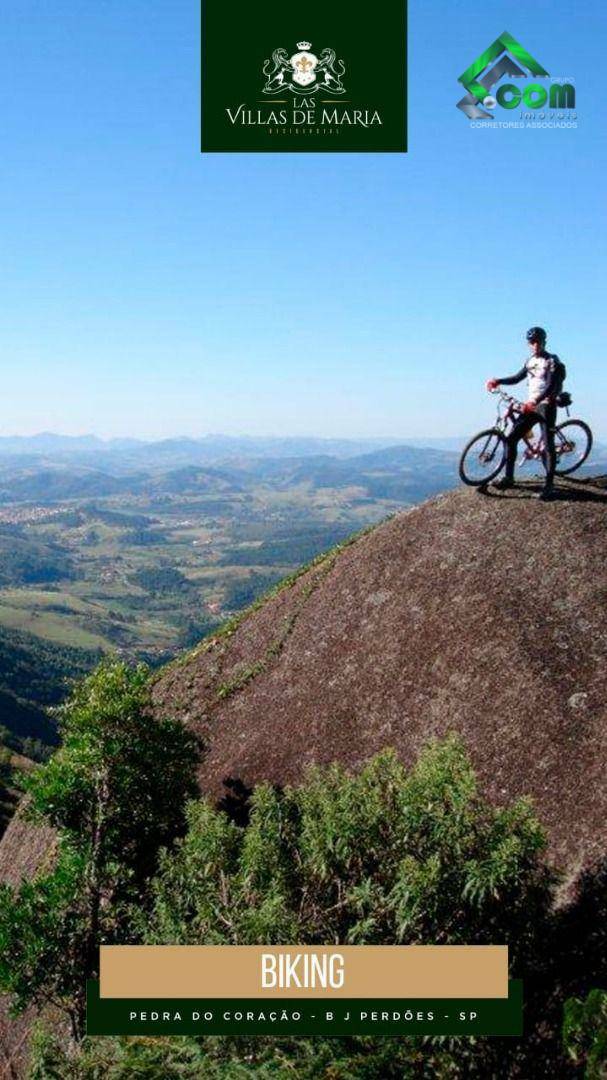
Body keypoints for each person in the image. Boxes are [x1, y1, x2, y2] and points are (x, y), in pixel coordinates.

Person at [486, 327, 564, 501]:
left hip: (546, 406)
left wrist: (535, 402)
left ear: (544, 342)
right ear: (528, 344)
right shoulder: (530, 361)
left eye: (538, 341)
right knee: (511, 439)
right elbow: (517, 378)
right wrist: (498, 381)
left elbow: (551, 386)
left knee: (548, 444)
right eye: (532, 342)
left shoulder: (551, 361)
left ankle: (549, 486)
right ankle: (509, 478)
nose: (535, 345)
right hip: (531, 406)